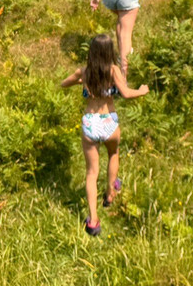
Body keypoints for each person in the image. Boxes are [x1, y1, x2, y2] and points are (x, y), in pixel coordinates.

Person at [61, 34, 148, 236]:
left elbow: (64, 83)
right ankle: (110, 194)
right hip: (109, 122)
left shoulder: (84, 72)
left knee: (92, 172)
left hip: (90, 123)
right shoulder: (114, 71)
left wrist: (78, 81)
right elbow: (126, 93)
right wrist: (142, 91)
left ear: (91, 52)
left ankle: (93, 221)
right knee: (113, 154)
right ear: (110, 52)